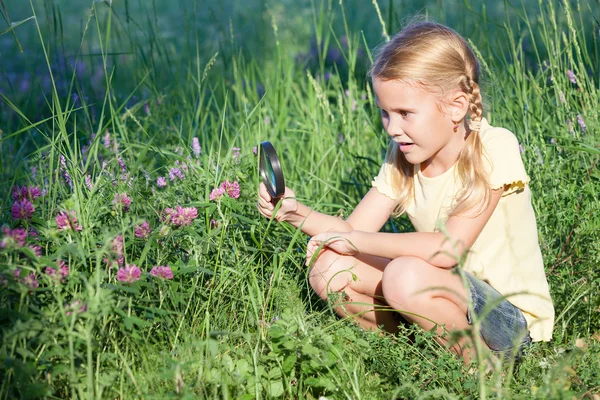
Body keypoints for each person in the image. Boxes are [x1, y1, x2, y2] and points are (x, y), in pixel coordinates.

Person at [257, 21, 554, 363]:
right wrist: (296, 212)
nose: (392, 129)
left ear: (456, 107)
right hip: (450, 296)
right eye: (385, 113)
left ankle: (484, 369)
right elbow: (355, 231)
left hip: (509, 320)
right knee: (329, 267)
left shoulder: (494, 146)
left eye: (405, 114)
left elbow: (446, 250)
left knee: (403, 275)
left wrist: (355, 242)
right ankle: (417, 357)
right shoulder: (404, 156)